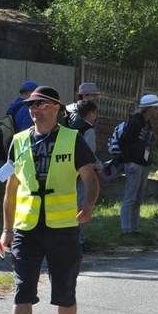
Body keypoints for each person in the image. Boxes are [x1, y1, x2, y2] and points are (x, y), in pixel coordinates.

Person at [0, 86, 99, 314]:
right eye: (31, 104)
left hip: (63, 228)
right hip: (26, 230)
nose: (34, 108)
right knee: (22, 289)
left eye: (40, 104)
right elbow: (10, 190)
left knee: (64, 292)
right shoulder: (19, 141)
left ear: (55, 107)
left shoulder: (73, 139)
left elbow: (90, 180)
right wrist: (7, 230)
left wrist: (88, 204)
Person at [118, 94, 158, 234]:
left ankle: (135, 229)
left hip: (144, 164)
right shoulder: (136, 122)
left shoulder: (146, 122)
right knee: (130, 198)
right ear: (148, 108)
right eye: (155, 107)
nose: (157, 111)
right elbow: (123, 141)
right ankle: (125, 229)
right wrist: (128, 160)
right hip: (134, 164)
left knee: (138, 199)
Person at [68, 100, 102, 249]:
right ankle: (78, 240)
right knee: (82, 205)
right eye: (95, 113)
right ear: (90, 113)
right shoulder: (89, 130)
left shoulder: (72, 128)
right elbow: (89, 154)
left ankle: (69, 237)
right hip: (83, 173)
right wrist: (99, 166)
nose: (96, 116)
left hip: (69, 171)